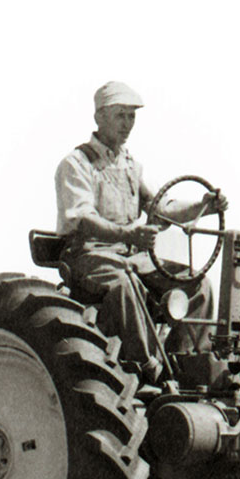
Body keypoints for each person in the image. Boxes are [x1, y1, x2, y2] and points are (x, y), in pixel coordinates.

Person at [53, 81, 226, 383]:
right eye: (121, 116)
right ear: (99, 117)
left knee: (197, 285)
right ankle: (146, 367)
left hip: (130, 256)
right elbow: (82, 219)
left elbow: (162, 206)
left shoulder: (130, 165)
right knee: (124, 284)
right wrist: (126, 235)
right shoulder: (76, 164)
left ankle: (191, 362)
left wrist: (203, 206)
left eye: (131, 117)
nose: (128, 124)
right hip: (90, 255)